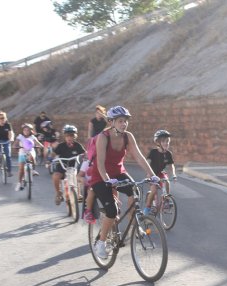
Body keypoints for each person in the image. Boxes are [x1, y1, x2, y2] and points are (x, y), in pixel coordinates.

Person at [88, 105, 158, 259]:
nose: (123, 124)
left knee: (135, 191)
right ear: (112, 122)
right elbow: (99, 163)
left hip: (119, 173)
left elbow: (139, 157)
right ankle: (101, 243)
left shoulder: (128, 136)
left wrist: (152, 175)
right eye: (120, 121)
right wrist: (107, 180)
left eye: (125, 121)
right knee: (112, 211)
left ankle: (135, 225)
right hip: (101, 177)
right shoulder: (103, 137)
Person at [142, 129, 177, 215]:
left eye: (168, 141)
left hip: (161, 173)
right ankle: (147, 208)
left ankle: (166, 200)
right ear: (158, 142)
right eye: (164, 141)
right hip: (152, 174)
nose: (166, 143)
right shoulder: (153, 152)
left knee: (167, 182)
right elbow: (148, 162)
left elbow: (171, 165)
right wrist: (148, 174)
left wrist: (174, 174)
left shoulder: (168, 154)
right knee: (153, 191)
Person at [50, 125, 86, 205]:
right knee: (56, 176)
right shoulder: (61, 146)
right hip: (62, 166)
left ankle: (79, 193)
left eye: (72, 136)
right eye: (67, 136)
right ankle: (58, 193)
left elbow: (84, 153)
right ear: (65, 137)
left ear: (75, 136)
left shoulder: (78, 146)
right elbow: (53, 153)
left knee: (78, 177)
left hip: (74, 166)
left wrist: (86, 157)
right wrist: (50, 159)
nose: (69, 138)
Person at [13, 123, 43, 191]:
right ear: (22, 131)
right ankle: (19, 183)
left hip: (30, 151)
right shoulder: (20, 136)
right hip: (22, 152)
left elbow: (37, 143)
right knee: (21, 169)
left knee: (31, 155)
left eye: (28, 130)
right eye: (25, 130)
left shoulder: (32, 137)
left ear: (31, 131)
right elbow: (15, 143)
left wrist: (40, 145)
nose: (26, 131)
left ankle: (33, 170)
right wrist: (16, 146)